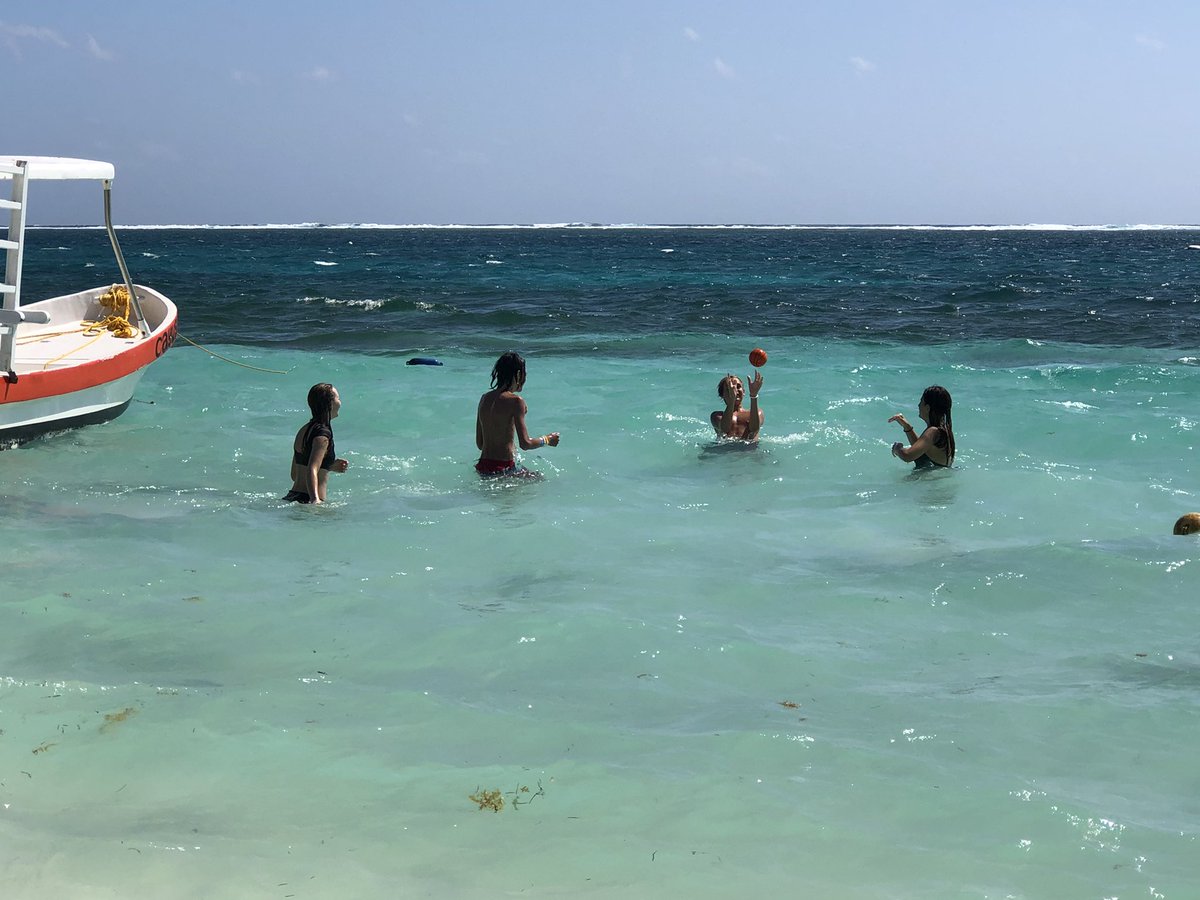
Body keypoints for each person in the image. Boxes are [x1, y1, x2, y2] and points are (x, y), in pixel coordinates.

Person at [475, 351, 560, 477]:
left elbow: (480, 444)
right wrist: (547, 439)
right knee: (540, 479)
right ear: (519, 374)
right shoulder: (516, 401)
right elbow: (526, 444)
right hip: (504, 467)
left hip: (482, 466)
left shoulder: (484, 398)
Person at [283, 382, 349, 503]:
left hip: (292, 496)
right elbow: (311, 469)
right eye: (338, 398)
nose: (340, 402)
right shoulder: (323, 436)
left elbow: (294, 475)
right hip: (307, 500)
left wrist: (328, 466)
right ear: (330, 403)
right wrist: (315, 500)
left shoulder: (304, 430)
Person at [889, 385, 955, 469]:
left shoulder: (933, 432)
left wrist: (898, 448)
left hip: (928, 481)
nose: (918, 405)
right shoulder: (944, 431)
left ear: (927, 408)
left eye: (921, 402)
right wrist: (907, 427)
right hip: (935, 480)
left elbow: (908, 456)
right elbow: (921, 450)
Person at [710, 371, 764, 440]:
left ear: (743, 392)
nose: (735, 390)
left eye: (738, 387)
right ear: (722, 394)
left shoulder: (757, 413)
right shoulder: (716, 416)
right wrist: (731, 401)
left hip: (749, 450)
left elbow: (754, 429)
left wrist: (753, 395)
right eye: (730, 388)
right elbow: (725, 430)